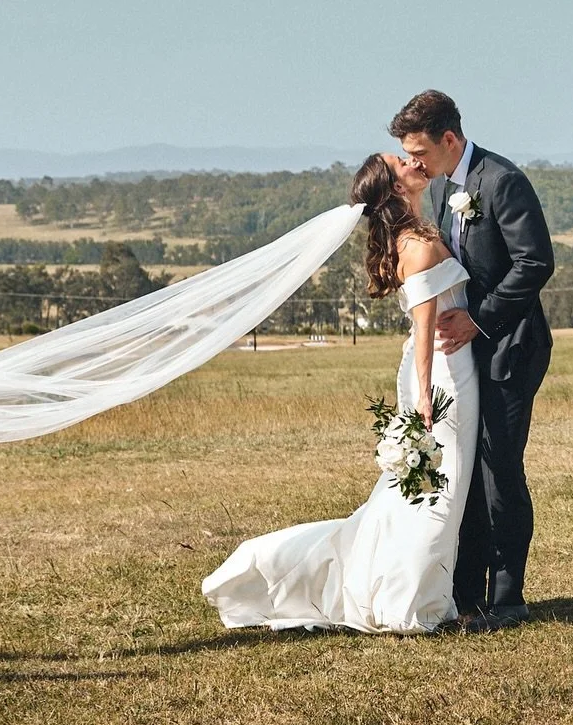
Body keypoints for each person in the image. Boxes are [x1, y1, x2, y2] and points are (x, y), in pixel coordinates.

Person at [201, 153, 479, 632]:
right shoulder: (414, 245)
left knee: (431, 490)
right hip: (446, 374)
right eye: (402, 162)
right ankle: (408, 601)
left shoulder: (417, 232)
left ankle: (419, 588)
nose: (414, 160)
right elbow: (425, 326)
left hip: (449, 366)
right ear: (394, 188)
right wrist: (428, 396)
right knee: (440, 491)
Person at [392, 89, 555, 629]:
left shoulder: (502, 180)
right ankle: (466, 596)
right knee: (464, 467)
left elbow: (535, 262)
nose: (414, 163)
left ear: (450, 139)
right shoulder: (440, 188)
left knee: (499, 470)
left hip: (510, 347)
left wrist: (479, 318)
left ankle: (508, 600)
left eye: (420, 152)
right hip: (460, 359)